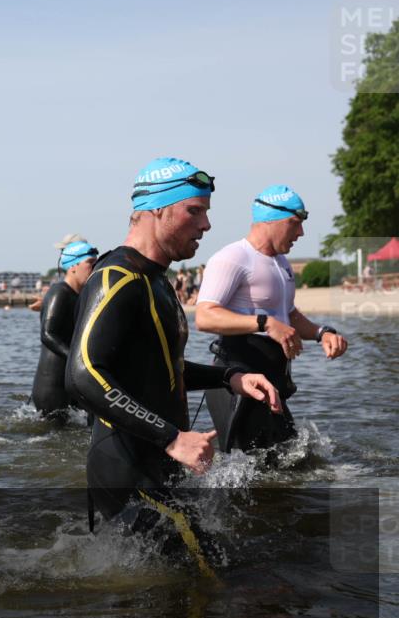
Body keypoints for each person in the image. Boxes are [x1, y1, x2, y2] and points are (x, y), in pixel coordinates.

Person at [65, 158, 281, 574]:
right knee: (215, 579)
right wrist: (171, 438)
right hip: (128, 465)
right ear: (157, 211)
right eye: (194, 211)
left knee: (181, 595)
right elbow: (82, 375)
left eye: (206, 213)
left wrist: (229, 377)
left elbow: (164, 366)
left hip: (156, 461)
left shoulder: (157, 280)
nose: (206, 226)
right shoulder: (117, 278)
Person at [195, 185, 348, 452]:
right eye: (294, 224)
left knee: (288, 466)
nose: (301, 233)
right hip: (240, 381)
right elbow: (205, 316)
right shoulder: (233, 258)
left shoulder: (281, 263)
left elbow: (288, 314)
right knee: (253, 476)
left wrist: (322, 332)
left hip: (272, 383)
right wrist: (264, 323)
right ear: (271, 219)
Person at [31, 237, 98, 419]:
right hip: (51, 387)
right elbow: (47, 334)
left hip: (70, 382)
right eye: (91, 263)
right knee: (51, 440)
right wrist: (77, 359)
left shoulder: (81, 295)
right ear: (73, 266)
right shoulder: (59, 292)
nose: (95, 268)